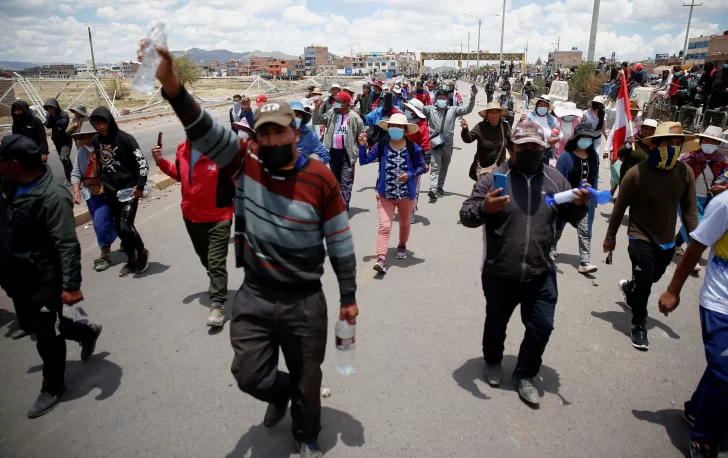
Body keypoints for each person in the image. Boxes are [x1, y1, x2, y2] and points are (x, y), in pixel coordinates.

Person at [143, 42, 358, 457]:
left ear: (296, 132)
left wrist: (348, 296)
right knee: (249, 374)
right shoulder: (245, 162)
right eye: (266, 132)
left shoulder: (320, 178)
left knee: (308, 376)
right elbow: (202, 126)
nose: (273, 138)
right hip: (256, 294)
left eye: (281, 130)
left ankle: (307, 435)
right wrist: (171, 83)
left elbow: (340, 240)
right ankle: (281, 394)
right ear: (256, 138)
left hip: (305, 298)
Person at [459, 121, 590, 405]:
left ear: (544, 149)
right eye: (525, 147)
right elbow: (466, 215)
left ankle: (525, 373)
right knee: (496, 322)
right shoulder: (493, 180)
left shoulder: (556, 180)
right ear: (512, 149)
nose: (531, 151)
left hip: (541, 271)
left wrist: (580, 205)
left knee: (542, 326)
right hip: (499, 270)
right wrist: (484, 208)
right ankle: (493, 361)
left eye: (537, 147)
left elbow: (571, 216)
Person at [0, 134, 103, 418]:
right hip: (16, 272)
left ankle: (54, 386)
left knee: (47, 334)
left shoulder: (52, 196)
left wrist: (71, 285)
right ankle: (86, 330)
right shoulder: (9, 184)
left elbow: (67, 243)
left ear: (16, 164)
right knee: (37, 324)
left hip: (44, 276)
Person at [603, 122, 699, 350]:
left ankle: (630, 288)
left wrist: (696, 238)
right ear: (655, 145)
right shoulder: (637, 173)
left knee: (652, 278)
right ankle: (639, 323)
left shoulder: (685, 173)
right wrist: (611, 237)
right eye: (669, 143)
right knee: (646, 283)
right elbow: (619, 209)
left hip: (665, 241)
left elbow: (689, 209)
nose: (674, 147)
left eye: (678, 144)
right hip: (639, 235)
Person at [657, 176, 728, 458]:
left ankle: (696, 410)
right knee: (725, 372)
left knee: (722, 368)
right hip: (720, 304)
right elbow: (696, 245)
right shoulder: (724, 204)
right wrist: (673, 290)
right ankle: (704, 439)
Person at [152, 133, 235, 327]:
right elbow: (179, 175)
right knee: (205, 257)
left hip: (219, 217)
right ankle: (215, 279)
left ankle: (218, 304)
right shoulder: (183, 149)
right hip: (191, 216)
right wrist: (160, 162)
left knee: (216, 261)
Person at [357, 113, 425, 273]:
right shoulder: (381, 145)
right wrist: (362, 145)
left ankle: (402, 244)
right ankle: (381, 258)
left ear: (405, 130)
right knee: (385, 226)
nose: (396, 129)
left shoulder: (412, 147)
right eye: (393, 126)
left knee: (404, 224)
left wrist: (410, 174)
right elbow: (364, 160)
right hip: (384, 195)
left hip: (406, 195)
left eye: (399, 126)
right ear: (388, 128)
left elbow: (421, 167)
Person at [89, 107, 151, 277]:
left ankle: (142, 252)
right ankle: (131, 260)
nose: (101, 127)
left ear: (110, 121)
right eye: (97, 123)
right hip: (110, 191)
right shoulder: (96, 140)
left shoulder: (125, 139)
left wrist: (139, 186)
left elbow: (142, 164)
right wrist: (102, 182)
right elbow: (101, 164)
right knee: (118, 228)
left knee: (126, 226)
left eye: (103, 122)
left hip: (129, 189)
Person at [674, 126, 728, 264]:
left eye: (713, 141)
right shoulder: (690, 157)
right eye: (707, 140)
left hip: (710, 199)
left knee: (694, 224)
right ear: (701, 140)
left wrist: (723, 187)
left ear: (718, 143)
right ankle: (693, 259)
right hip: (689, 197)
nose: (709, 143)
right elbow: (677, 175)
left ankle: (677, 243)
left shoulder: (723, 160)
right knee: (696, 225)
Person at [553, 123, 602, 273]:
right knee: (557, 227)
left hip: (584, 202)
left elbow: (594, 179)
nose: (586, 140)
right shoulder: (565, 157)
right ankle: (551, 247)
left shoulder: (594, 156)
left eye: (589, 137)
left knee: (585, 230)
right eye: (583, 137)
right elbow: (558, 181)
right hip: (566, 200)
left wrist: (593, 199)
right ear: (577, 138)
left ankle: (584, 262)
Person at [70, 122, 117, 272]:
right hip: (91, 195)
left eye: (91, 136)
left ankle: (105, 255)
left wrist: (94, 180)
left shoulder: (105, 151)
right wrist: (76, 191)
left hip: (106, 192)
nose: (88, 140)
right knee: (107, 220)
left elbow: (113, 172)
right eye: (84, 137)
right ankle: (124, 238)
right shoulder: (81, 153)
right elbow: (76, 173)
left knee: (99, 224)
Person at [314, 90, 364, 212]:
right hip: (333, 153)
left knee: (346, 183)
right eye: (335, 101)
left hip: (347, 155)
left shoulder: (355, 118)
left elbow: (361, 138)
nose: (335, 104)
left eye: (338, 102)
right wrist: (316, 108)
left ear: (346, 104)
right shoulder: (331, 113)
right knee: (335, 182)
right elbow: (317, 121)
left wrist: (358, 152)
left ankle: (343, 208)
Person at [423, 88, 476, 201]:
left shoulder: (454, 110)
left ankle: (440, 187)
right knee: (435, 166)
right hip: (434, 141)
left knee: (444, 165)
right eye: (439, 98)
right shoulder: (430, 110)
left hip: (447, 143)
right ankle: (433, 189)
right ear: (436, 99)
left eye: (443, 98)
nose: (441, 100)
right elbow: (416, 109)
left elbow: (467, 109)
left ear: (447, 100)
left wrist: (472, 98)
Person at [461, 100, 511, 180]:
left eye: (496, 113)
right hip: (483, 169)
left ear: (500, 115)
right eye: (491, 113)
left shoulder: (505, 127)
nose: (493, 115)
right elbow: (468, 139)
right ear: (487, 115)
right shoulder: (480, 127)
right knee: (482, 191)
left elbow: (510, 145)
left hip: (499, 170)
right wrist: (465, 129)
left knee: (499, 191)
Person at [403, 99, 432, 222]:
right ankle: (403, 208)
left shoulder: (422, 125)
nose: (407, 111)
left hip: (416, 159)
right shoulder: (404, 122)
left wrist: (426, 162)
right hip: (402, 157)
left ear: (415, 112)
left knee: (414, 186)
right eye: (407, 109)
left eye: (409, 110)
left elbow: (426, 144)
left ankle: (412, 211)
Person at [615, 118, 658, 186]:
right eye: (646, 128)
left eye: (652, 129)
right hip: (629, 178)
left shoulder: (656, 145)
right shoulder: (634, 142)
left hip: (646, 180)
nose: (649, 131)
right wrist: (629, 144)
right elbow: (620, 153)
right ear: (641, 129)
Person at [520, 96, 562, 164]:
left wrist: (557, 139)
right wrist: (520, 122)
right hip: (531, 150)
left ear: (548, 108)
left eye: (545, 105)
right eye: (541, 104)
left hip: (546, 151)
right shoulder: (529, 116)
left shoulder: (552, 119)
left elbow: (561, 133)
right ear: (537, 106)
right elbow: (522, 131)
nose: (542, 106)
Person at [43, 98, 73, 185]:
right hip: (57, 140)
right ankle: (71, 174)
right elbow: (48, 125)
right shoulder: (49, 115)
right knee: (63, 159)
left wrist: (54, 116)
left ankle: (70, 177)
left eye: (51, 108)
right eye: (48, 108)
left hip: (66, 140)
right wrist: (47, 119)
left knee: (64, 158)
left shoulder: (63, 114)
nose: (50, 110)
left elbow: (63, 124)